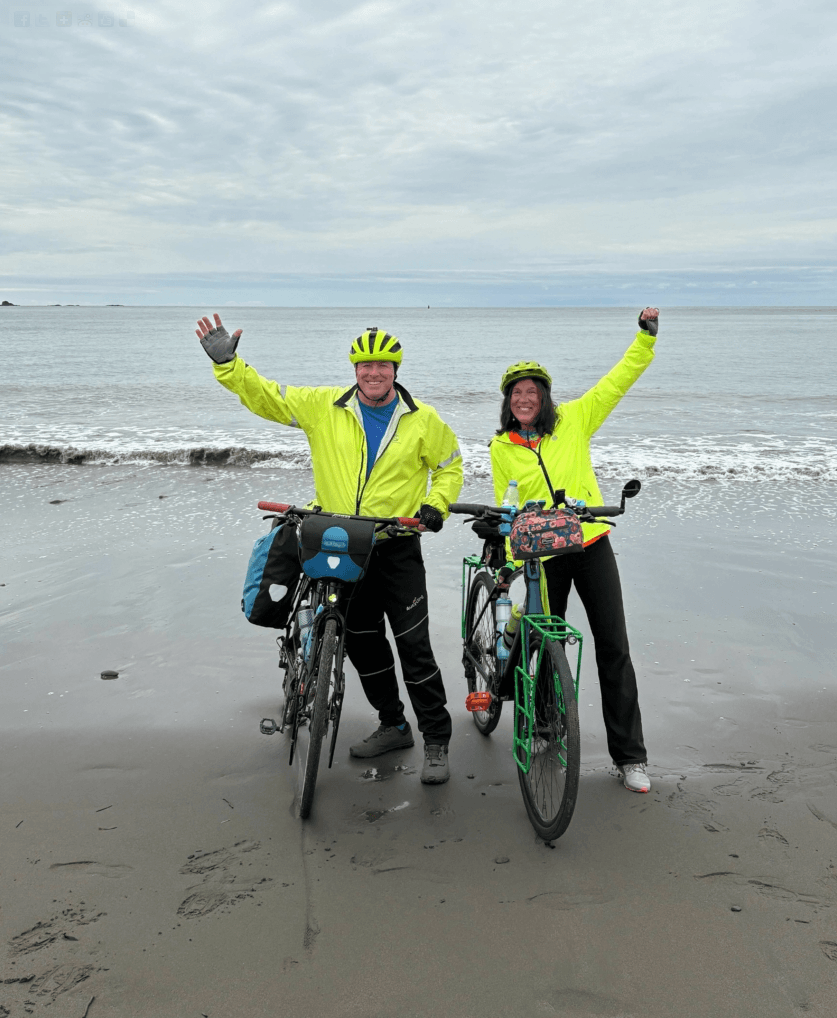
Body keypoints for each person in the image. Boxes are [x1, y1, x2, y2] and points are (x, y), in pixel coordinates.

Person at [196, 314, 463, 784]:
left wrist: (435, 504)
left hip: (397, 545)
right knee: (364, 645)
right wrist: (229, 365)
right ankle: (394, 724)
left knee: (413, 646)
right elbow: (270, 397)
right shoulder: (325, 406)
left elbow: (449, 467)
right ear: (354, 370)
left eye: (382, 366)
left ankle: (436, 741)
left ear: (396, 370)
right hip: (343, 545)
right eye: (365, 366)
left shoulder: (424, 420)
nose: (373, 373)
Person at [489, 308, 660, 793]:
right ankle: (544, 726)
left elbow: (616, 382)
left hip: (589, 544)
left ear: (544, 398)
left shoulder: (576, 420)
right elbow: (510, 506)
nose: (524, 399)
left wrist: (644, 338)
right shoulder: (501, 447)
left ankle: (630, 758)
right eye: (516, 394)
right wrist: (507, 559)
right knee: (545, 643)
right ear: (509, 402)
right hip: (543, 555)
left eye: (532, 392)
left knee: (614, 648)